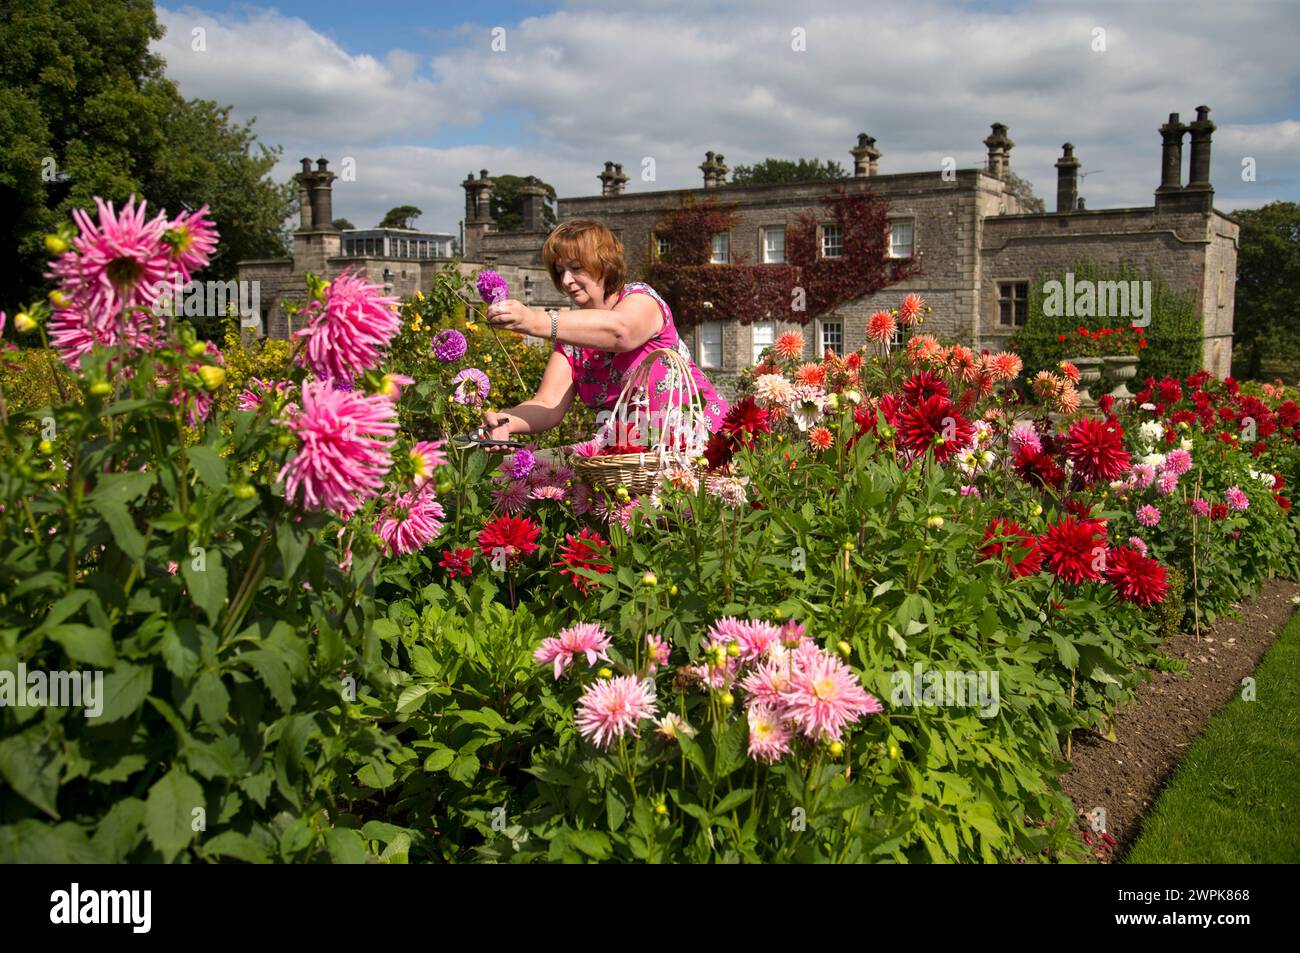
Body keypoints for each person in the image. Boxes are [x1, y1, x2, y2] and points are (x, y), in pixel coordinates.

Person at [480, 218, 729, 453]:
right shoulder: (571, 341)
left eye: (576, 268)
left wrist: (533, 320)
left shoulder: (641, 298)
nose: (566, 280)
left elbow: (620, 331)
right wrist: (507, 421)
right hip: (640, 463)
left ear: (605, 264)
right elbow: (547, 404)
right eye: (560, 271)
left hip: (707, 447)